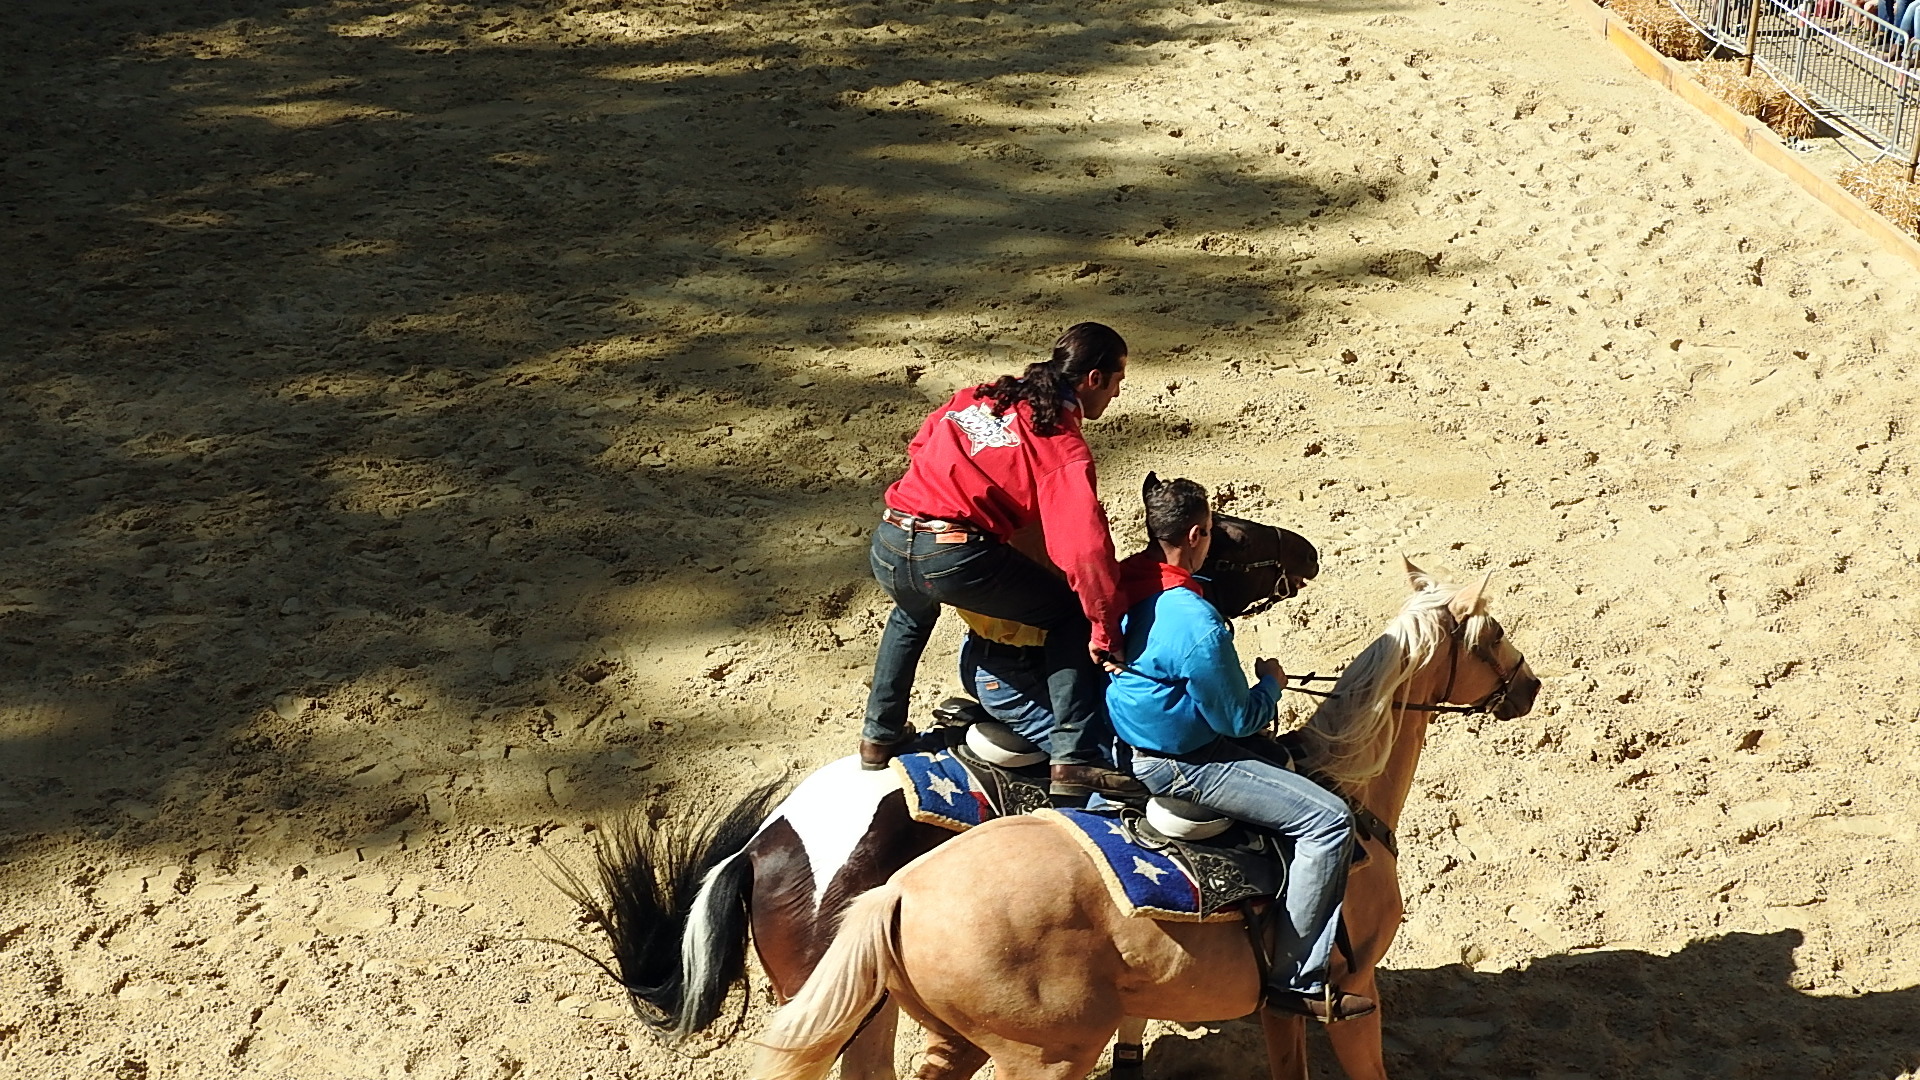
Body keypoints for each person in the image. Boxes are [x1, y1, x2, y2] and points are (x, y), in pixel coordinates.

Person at [1104, 476, 1373, 1023]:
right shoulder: (1197, 621)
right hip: (1185, 763)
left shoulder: (1127, 581)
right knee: (1331, 823)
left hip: (1125, 740)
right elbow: (1238, 716)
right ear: (1199, 533)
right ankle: (1298, 979)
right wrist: (1269, 683)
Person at [859, 322, 1142, 800]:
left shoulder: (980, 396)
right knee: (1068, 616)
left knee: (911, 610)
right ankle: (1074, 758)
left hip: (888, 542)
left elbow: (921, 446)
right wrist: (1102, 625)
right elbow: (1083, 549)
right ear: (1093, 379)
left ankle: (878, 736)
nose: (1114, 396)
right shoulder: (1061, 444)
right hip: (953, 556)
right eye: (1116, 384)